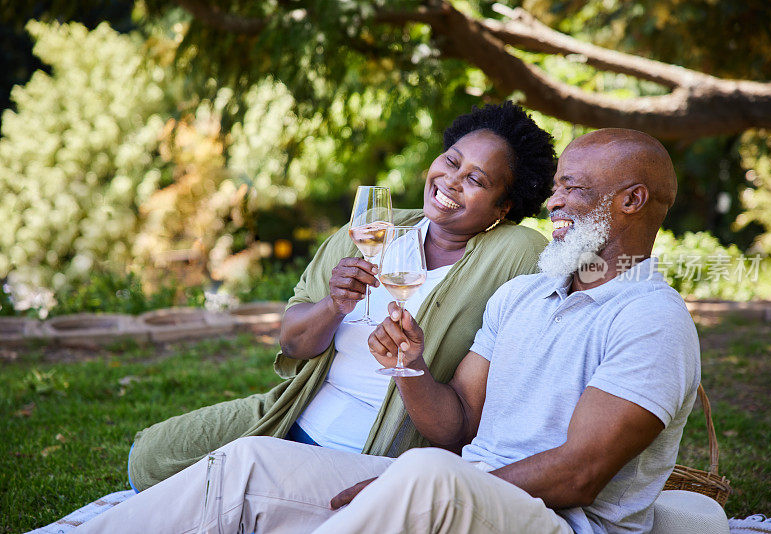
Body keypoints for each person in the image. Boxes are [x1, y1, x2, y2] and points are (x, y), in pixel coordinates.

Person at [77, 128, 701, 534]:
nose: (555, 202)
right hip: (459, 490)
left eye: (572, 188)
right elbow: (458, 422)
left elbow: (579, 474)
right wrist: (409, 366)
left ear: (632, 200)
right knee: (250, 461)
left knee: (425, 472)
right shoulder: (525, 295)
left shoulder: (651, 318)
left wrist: (405, 482)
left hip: (553, 521)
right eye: (557, 185)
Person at [127, 101, 556, 491]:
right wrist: (334, 305)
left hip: (371, 450)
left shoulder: (512, 253)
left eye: (476, 179)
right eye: (451, 161)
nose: (451, 181)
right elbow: (292, 343)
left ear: (504, 207)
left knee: (237, 476)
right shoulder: (370, 229)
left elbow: (463, 424)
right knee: (151, 455)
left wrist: (409, 362)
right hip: (293, 416)